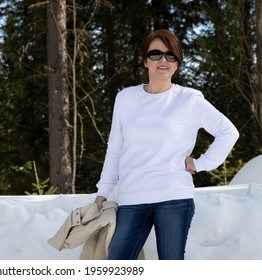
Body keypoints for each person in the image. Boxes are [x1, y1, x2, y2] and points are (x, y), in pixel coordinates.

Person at [94, 29, 239, 260]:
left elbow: (228, 131)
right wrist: (103, 189)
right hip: (133, 198)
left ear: (177, 63)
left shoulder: (189, 99)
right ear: (145, 60)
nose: (163, 60)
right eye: (156, 54)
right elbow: (115, 147)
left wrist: (201, 163)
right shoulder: (125, 98)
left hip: (173, 198)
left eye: (171, 55)